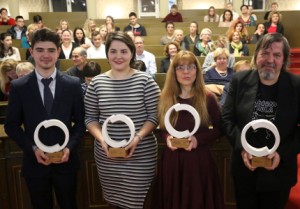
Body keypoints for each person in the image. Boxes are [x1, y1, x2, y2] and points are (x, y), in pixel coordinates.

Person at [4, 28, 85, 209]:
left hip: (66, 162)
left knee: (69, 205)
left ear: (58, 52)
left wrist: (69, 147)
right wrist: (32, 148)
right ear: (31, 52)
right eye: (40, 50)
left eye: (51, 50)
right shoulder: (19, 86)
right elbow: (11, 126)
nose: (45, 55)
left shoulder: (72, 84)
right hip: (35, 163)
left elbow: (80, 123)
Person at [222, 32, 300, 209]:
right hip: (245, 168)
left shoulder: (296, 85)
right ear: (256, 55)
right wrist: (242, 148)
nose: (270, 59)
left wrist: (281, 153)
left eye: (277, 55)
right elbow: (227, 119)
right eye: (265, 53)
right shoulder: (239, 80)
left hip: (279, 170)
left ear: (284, 59)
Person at [84, 31, 160, 209]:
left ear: (132, 53)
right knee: (114, 202)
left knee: (140, 201)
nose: (118, 56)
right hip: (107, 155)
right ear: (107, 53)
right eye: (113, 51)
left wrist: (138, 137)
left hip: (140, 154)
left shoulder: (146, 81)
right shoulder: (96, 83)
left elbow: (154, 116)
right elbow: (90, 118)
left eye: (124, 51)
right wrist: (102, 139)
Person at [156, 50, 224, 209]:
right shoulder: (165, 97)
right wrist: (166, 138)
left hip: (198, 161)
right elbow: (161, 128)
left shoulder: (207, 97)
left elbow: (220, 129)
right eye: (180, 68)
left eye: (191, 67)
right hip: (173, 161)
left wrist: (198, 140)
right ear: (174, 72)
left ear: (197, 70)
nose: (186, 72)